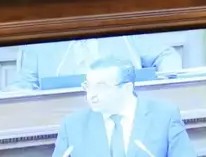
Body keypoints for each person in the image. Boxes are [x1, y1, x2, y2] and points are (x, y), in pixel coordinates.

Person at [51, 57, 195, 157]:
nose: (91, 95)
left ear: (126, 88)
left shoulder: (164, 117)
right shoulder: (72, 126)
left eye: (101, 87)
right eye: (88, 86)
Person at [10, 35, 184, 91]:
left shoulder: (123, 29)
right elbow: (22, 88)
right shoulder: (38, 41)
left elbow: (166, 56)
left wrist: (161, 89)